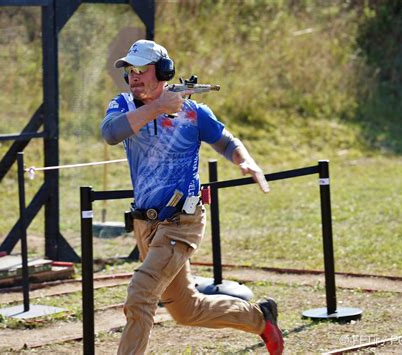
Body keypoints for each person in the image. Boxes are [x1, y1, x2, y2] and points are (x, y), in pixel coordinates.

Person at [101, 39, 284, 355]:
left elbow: (225, 141)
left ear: (163, 72)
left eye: (142, 70)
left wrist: (246, 160)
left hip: (180, 222)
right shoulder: (123, 105)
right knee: (187, 310)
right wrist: (157, 107)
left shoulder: (193, 112)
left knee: (140, 295)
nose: (134, 77)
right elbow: (111, 134)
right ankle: (260, 318)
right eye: (130, 70)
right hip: (146, 224)